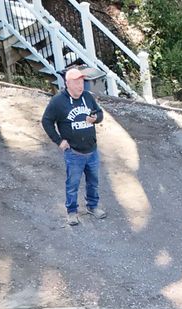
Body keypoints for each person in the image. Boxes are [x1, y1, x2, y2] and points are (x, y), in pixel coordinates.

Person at [41, 64, 106, 226]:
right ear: (68, 83)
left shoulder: (88, 97)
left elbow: (100, 113)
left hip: (92, 151)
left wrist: (95, 118)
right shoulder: (58, 102)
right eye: (76, 83)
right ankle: (72, 212)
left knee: (93, 181)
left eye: (82, 82)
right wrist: (58, 140)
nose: (80, 86)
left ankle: (93, 206)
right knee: (72, 184)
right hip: (74, 153)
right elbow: (46, 121)